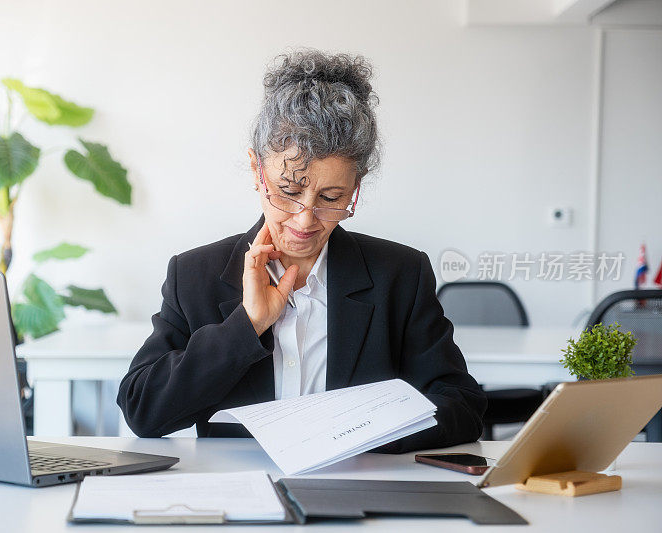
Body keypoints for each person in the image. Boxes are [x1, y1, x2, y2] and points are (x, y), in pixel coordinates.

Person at [117, 49, 486, 453]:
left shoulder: (400, 274)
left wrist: (361, 429)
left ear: (356, 187)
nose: (305, 219)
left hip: (358, 491)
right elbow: (143, 412)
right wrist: (247, 325)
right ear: (257, 171)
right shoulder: (194, 275)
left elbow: (462, 407)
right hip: (242, 496)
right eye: (288, 191)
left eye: (332, 197)